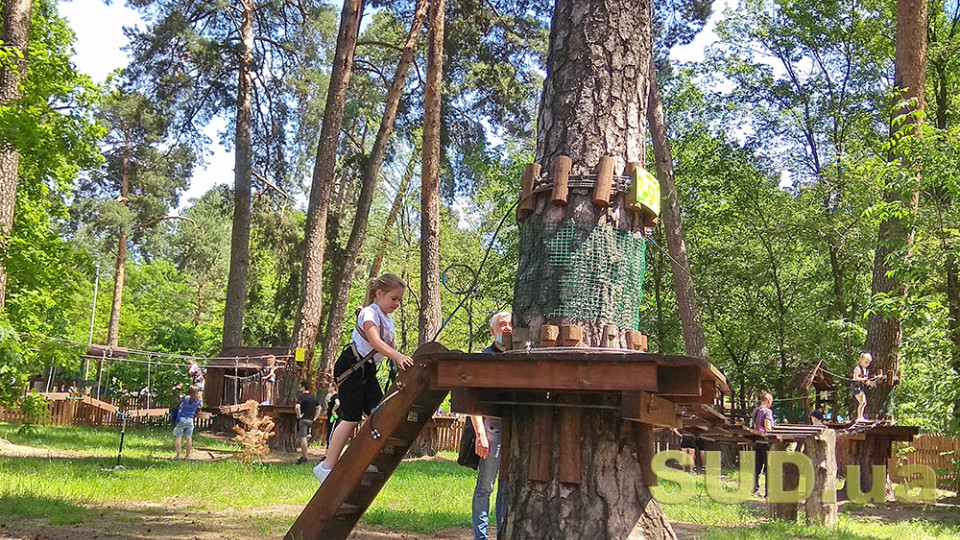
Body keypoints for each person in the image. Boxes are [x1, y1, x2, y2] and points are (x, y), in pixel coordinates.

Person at [314, 274, 414, 484]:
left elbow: (391, 348)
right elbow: (375, 341)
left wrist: (401, 364)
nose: (396, 304)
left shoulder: (388, 321)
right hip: (351, 365)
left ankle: (365, 456)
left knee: (379, 413)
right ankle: (326, 466)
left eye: (399, 300)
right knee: (351, 417)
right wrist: (397, 357)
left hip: (367, 370)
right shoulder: (369, 313)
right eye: (393, 298)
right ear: (379, 294)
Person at [471, 311, 511, 540]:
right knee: (486, 486)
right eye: (502, 325)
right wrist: (480, 434)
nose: (507, 328)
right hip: (492, 429)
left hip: (516, 430)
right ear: (492, 331)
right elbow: (473, 400)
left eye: (510, 325)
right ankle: (481, 536)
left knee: (508, 486)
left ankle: (505, 533)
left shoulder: (520, 355)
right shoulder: (485, 357)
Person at [752, 391, 774, 497]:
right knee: (768, 467)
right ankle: (768, 492)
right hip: (765, 442)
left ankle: (754, 488)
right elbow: (767, 427)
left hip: (757, 440)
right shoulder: (767, 411)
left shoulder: (756, 410)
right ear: (769, 400)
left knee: (757, 465)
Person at [295, 379, 321, 464]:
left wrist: (299, 415)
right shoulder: (313, 397)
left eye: (300, 387)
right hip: (311, 420)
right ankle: (305, 455)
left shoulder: (302, 397)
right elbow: (319, 407)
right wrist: (315, 417)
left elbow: (297, 407)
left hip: (303, 419)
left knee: (303, 437)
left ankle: (304, 456)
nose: (299, 389)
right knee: (306, 436)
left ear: (303, 387)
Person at [173, 386, 202, 461]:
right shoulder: (197, 400)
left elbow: (180, 405)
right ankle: (187, 457)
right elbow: (201, 406)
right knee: (189, 438)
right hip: (190, 420)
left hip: (182, 419)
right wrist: (200, 397)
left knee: (178, 437)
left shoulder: (186, 398)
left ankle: (178, 456)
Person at [852, 352, 876, 422]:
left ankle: (861, 416)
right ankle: (858, 417)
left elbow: (865, 380)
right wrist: (864, 379)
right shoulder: (857, 368)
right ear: (861, 360)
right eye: (866, 362)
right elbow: (856, 378)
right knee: (861, 401)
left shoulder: (866, 370)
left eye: (868, 363)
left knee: (864, 402)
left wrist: (869, 383)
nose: (867, 364)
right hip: (856, 386)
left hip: (861, 387)